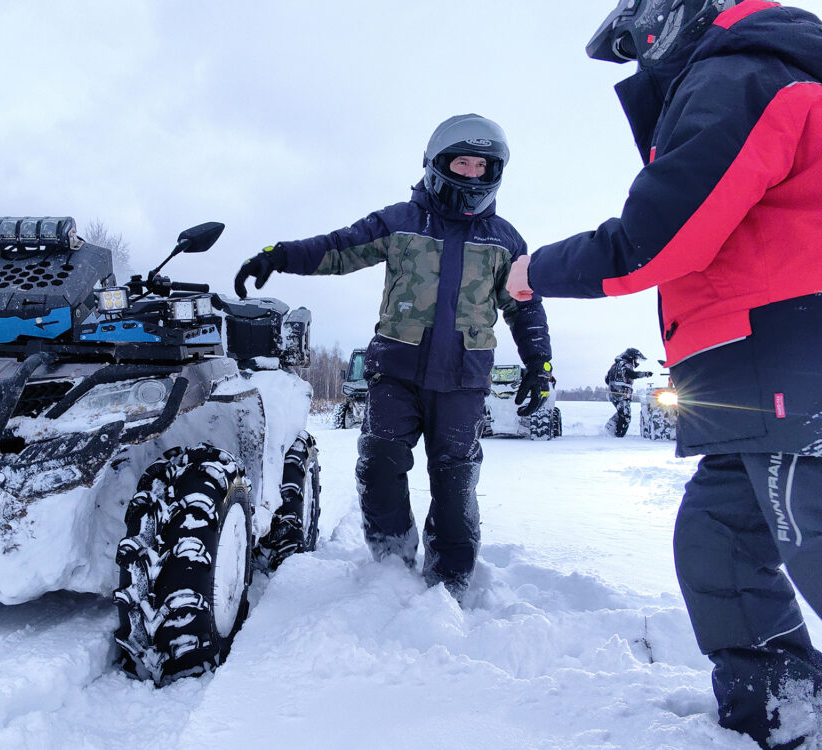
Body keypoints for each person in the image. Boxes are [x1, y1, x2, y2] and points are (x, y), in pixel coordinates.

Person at [506, 1, 822, 746]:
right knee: (718, 541)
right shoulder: (750, 70)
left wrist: (534, 271)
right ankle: (785, 714)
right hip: (751, 372)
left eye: (641, 41)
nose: (643, 59)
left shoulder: (737, 73)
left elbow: (660, 235)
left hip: (791, 356)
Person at [235, 114, 552, 601]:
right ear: (436, 164)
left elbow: (524, 305)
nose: (470, 174)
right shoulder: (402, 222)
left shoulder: (505, 240)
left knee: (455, 482)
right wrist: (279, 256)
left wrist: (539, 364)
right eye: (460, 163)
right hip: (395, 375)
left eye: (480, 166)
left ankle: (450, 584)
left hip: (464, 380)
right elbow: (339, 248)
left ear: (494, 173)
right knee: (380, 465)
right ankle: (390, 564)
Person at [603, 348, 652, 437]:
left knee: (621, 412)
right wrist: (645, 374)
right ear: (631, 357)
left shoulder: (615, 365)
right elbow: (631, 374)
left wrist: (613, 386)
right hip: (621, 393)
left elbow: (606, 379)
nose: (636, 361)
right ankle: (618, 436)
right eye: (636, 359)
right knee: (626, 416)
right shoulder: (626, 365)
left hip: (613, 393)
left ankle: (609, 428)